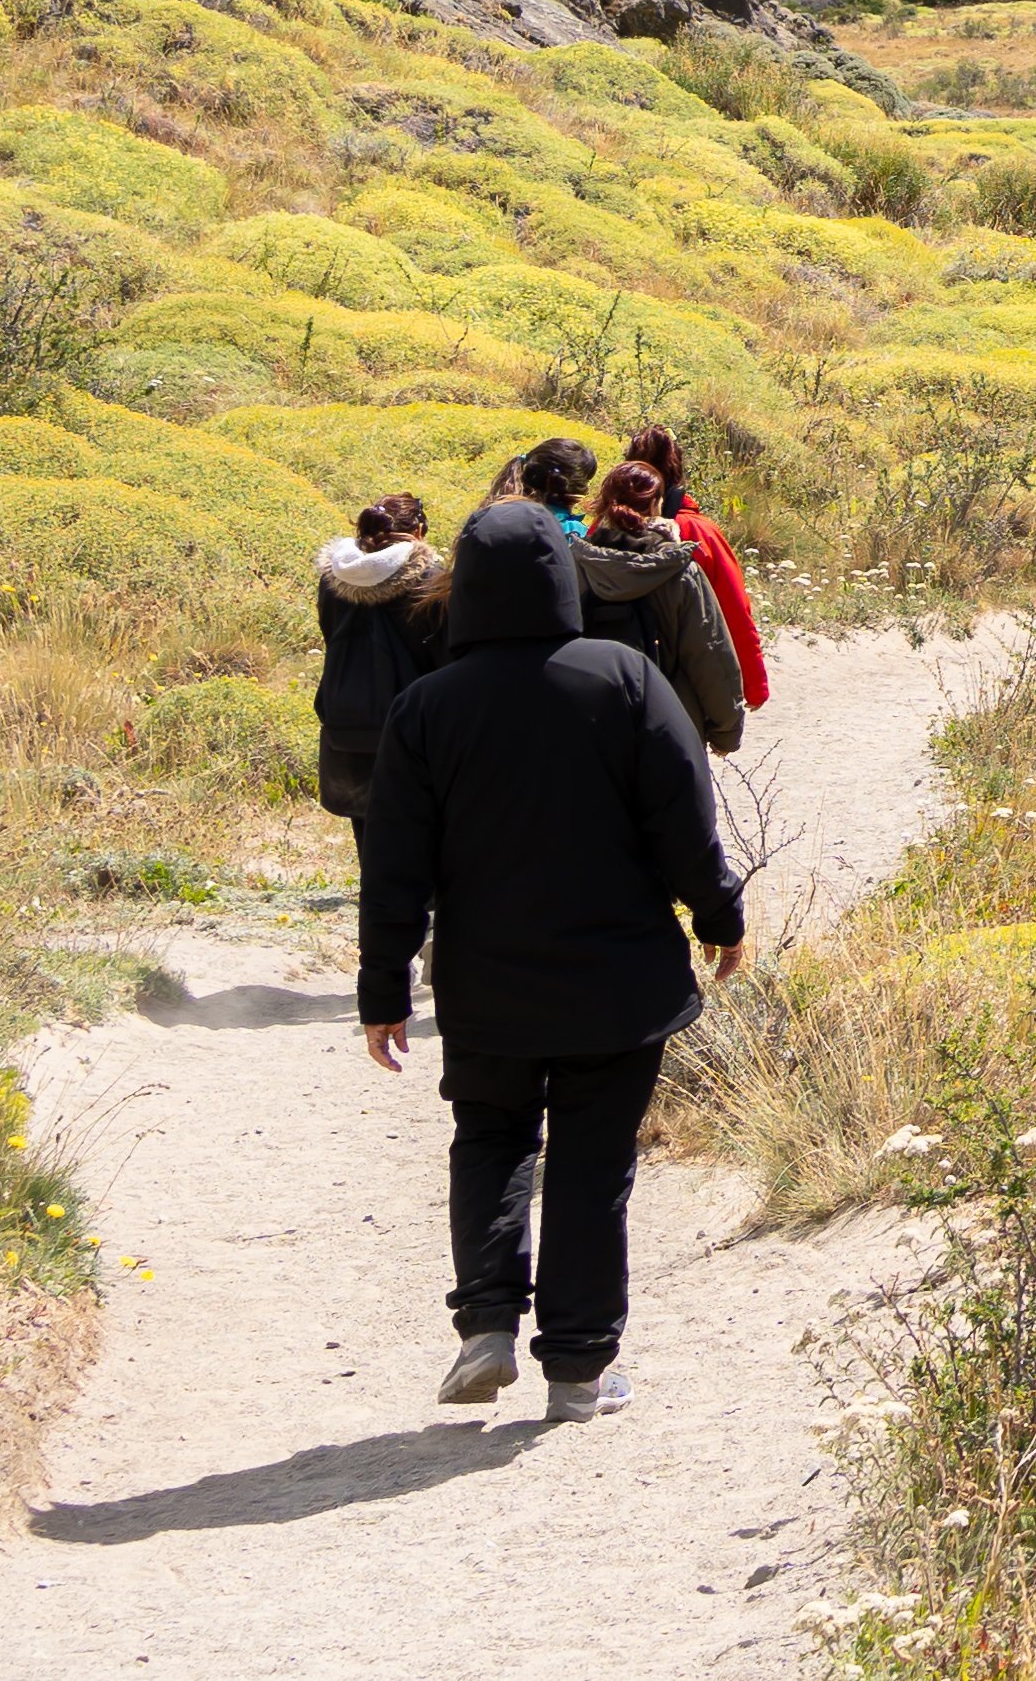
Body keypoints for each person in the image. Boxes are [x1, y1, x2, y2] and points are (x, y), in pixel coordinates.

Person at [355, 496, 745, 1423]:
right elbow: (685, 817)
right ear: (562, 577)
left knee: (490, 1138)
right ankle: (577, 1368)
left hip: (488, 983)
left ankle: (486, 1323)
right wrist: (720, 911)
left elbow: (394, 870)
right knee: (591, 1161)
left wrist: (383, 990)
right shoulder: (622, 679)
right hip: (618, 980)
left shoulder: (425, 708)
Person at [574, 461, 749, 756]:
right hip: (669, 728)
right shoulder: (679, 572)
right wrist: (726, 731)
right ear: (657, 505)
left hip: (588, 728)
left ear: (603, 503)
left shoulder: (574, 565)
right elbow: (709, 655)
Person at [612, 429, 766, 716]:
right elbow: (733, 608)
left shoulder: (605, 528)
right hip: (680, 686)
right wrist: (754, 683)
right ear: (678, 471)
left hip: (612, 680)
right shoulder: (698, 532)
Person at [311, 495, 438, 820]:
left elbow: (330, 633)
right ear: (419, 531)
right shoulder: (431, 580)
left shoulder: (333, 580)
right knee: (418, 838)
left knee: (365, 832)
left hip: (346, 720)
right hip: (413, 725)